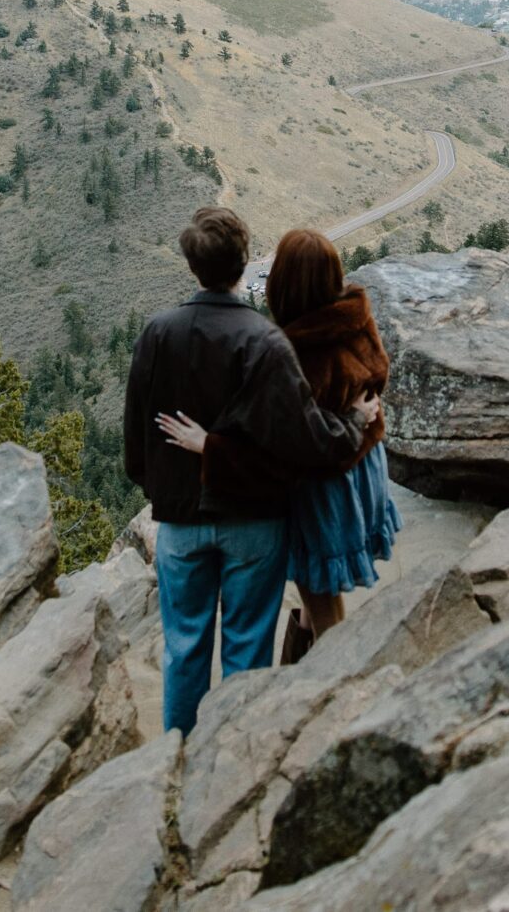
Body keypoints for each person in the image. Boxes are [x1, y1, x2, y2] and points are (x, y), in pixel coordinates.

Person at [123, 206, 380, 733]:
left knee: (183, 652)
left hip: (179, 520)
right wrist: (354, 423)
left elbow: (136, 439)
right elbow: (307, 438)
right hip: (254, 523)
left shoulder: (157, 333)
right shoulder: (265, 342)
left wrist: (161, 489)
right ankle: (234, 757)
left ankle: (177, 760)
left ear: (193, 265)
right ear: (244, 264)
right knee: (246, 652)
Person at [159, 228, 397, 654]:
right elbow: (377, 373)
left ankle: (324, 683)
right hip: (365, 467)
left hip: (324, 489)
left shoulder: (288, 353)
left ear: (282, 283)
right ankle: (300, 656)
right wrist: (356, 417)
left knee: (319, 591)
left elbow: (279, 447)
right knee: (317, 588)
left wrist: (209, 447)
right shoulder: (354, 314)